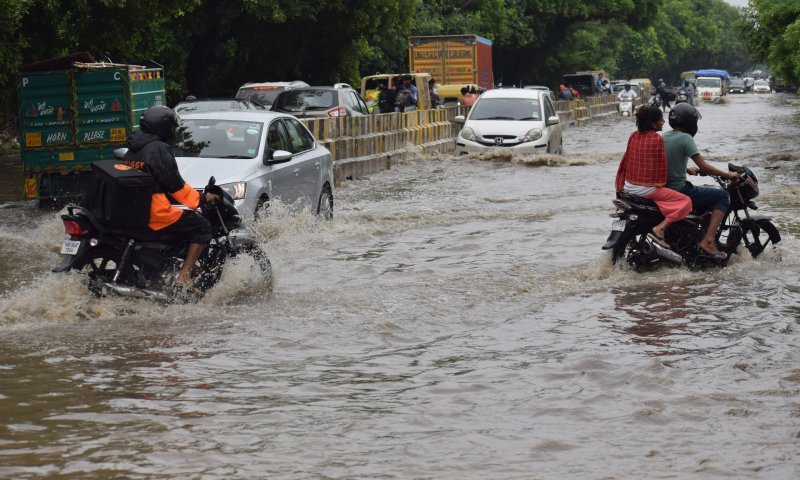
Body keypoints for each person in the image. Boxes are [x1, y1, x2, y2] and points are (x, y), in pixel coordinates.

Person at [121, 105, 220, 288]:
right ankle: (184, 276)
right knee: (202, 227)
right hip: (152, 214)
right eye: (172, 127)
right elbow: (173, 184)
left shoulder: (134, 148)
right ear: (164, 127)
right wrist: (201, 199)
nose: (174, 131)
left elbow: (154, 182)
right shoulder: (158, 148)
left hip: (132, 211)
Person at [662, 103, 740, 259]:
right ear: (690, 122)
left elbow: (666, 161)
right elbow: (703, 165)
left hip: (664, 190)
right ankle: (708, 241)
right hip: (679, 190)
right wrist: (727, 175)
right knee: (722, 196)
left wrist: (685, 169)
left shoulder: (663, 136)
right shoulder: (686, 138)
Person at [615, 106, 692, 246]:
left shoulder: (633, 135)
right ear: (653, 124)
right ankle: (660, 228)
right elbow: (661, 167)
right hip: (646, 190)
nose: (664, 121)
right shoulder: (656, 139)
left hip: (628, 187)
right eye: (661, 120)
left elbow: (630, 161)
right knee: (686, 202)